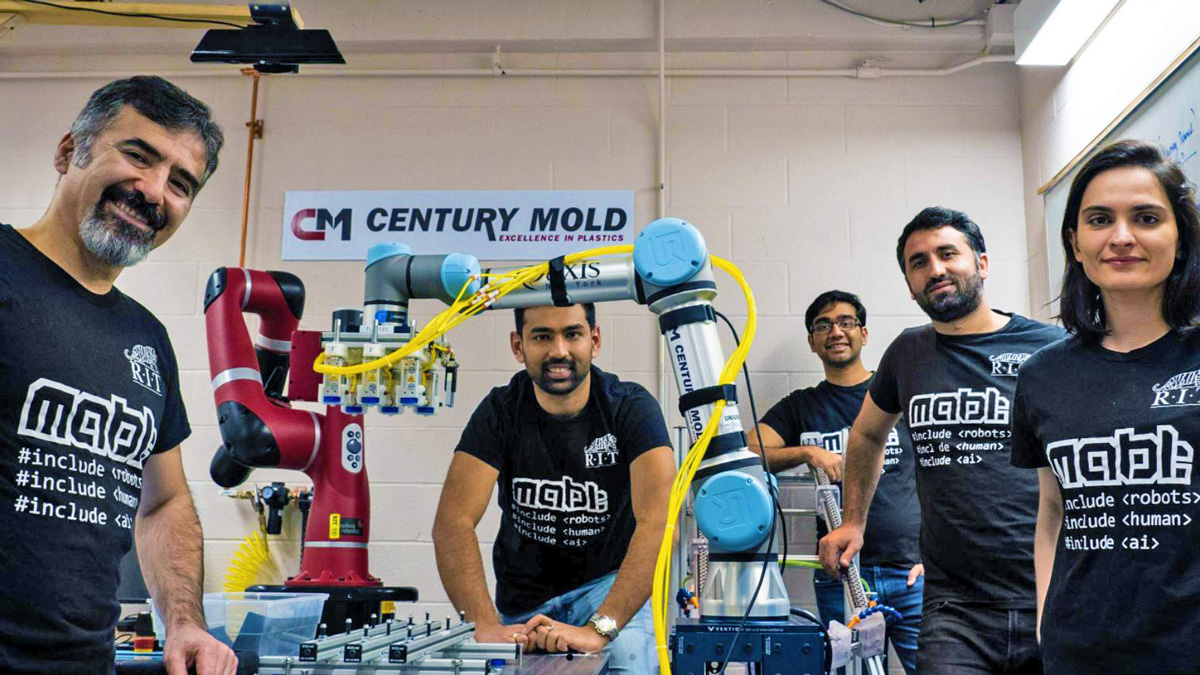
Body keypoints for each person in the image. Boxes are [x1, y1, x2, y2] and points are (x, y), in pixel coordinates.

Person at [0, 77, 235, 674]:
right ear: (68, 151)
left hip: (84, 662)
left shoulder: (146, 340)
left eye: (181, 184)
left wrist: (183, 621)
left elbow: (164, 503)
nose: (153, 190)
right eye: (138, 155)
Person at [819, 207, 1064, 674]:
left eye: (948, 253)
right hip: (955, 611)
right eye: (918, 262)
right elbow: (868, 433)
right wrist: (854, 522)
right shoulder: (907, 353)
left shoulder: (1049, 349)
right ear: (910, 284)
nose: (935, 269)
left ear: (982, 263)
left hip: (1052, 592)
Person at [1011, 140, 1200, 673]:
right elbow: (1052, 515)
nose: (1121, 237)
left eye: (1145, 217)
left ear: (1180, 237)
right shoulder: (1041, 375)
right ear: (1074, 242)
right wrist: (1049, 628)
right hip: (1080, 653)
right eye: (1099, 219)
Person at [432, 303, 675, 672]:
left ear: (594, 341)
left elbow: (659, 522)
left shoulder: (631, 408)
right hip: (523, 601)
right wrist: (484, 626)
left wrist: (600, 628)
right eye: (542, 336)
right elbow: (453, 522)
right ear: (518, 346)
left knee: (632, 666)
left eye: (572, 334)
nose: (558, 350)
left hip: (606, 590)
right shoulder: (499, 411)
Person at [750, 290, 922, 674]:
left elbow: (944, 472)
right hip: (839, 571)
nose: (835, 332)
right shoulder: (802, 405)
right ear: (812, 341)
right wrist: (805, 452)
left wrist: (935, 558)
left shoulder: (897, 393)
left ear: (863, 333)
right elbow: (750, 449)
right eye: (823, 325)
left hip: (909, 571)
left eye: (846, 322)